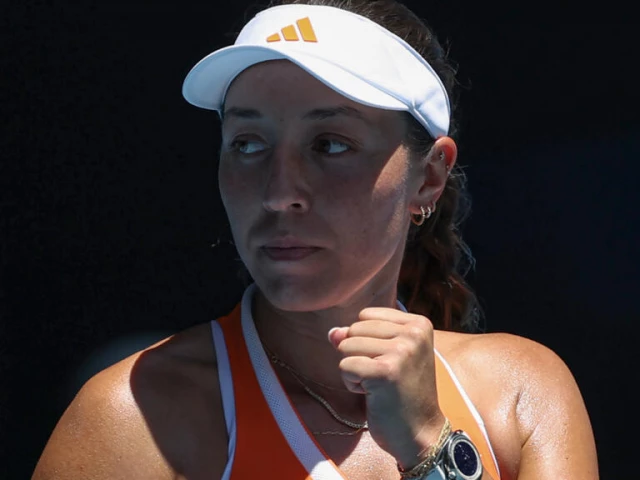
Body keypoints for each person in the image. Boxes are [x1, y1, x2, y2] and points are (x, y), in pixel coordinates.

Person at [31, 0, 599, 479]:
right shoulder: (132, 417)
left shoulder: (522, 392)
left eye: (329, 144)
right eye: (248, 143)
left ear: (428, 176)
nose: (280, 193)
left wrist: (429, 445)